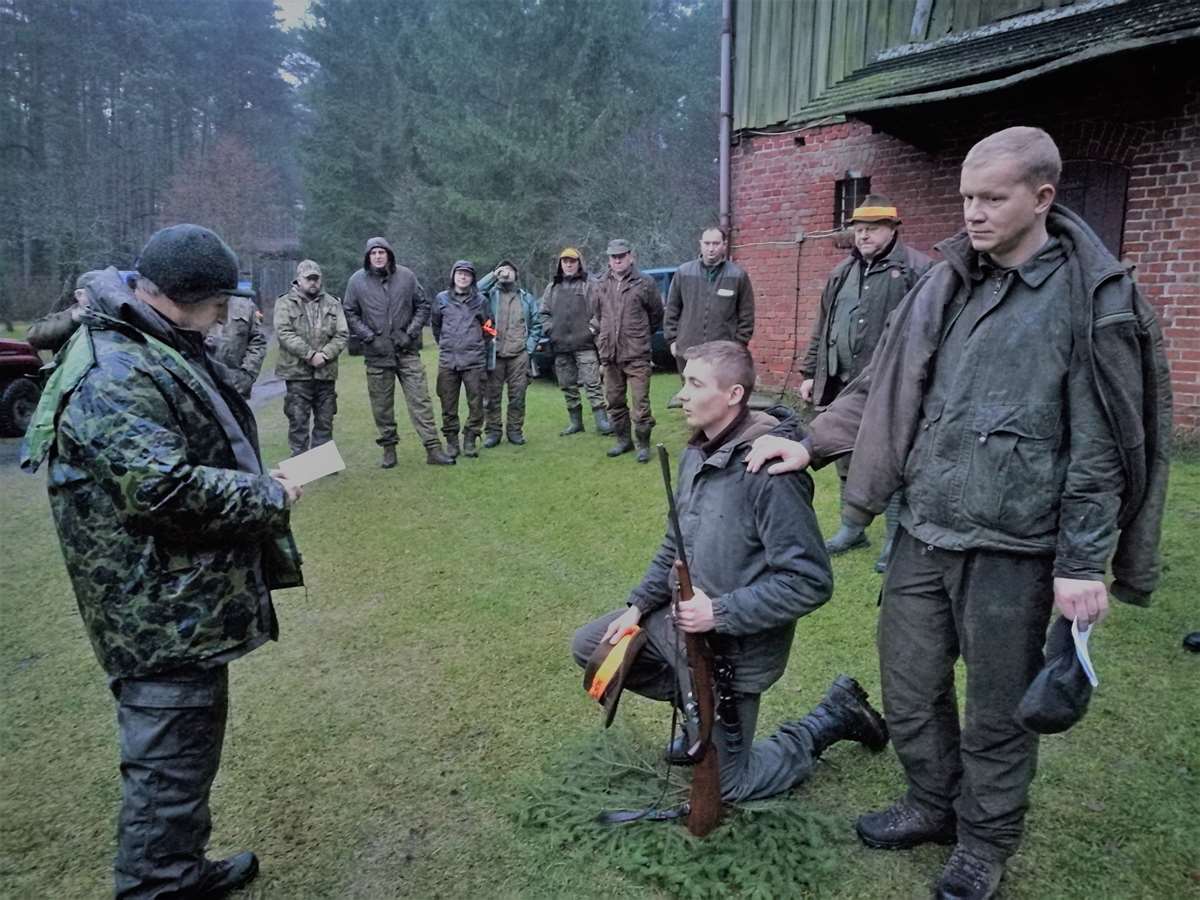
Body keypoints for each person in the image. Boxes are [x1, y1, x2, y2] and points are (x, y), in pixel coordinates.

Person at [746, 127, 1171, 900]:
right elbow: (882, 387)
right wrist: (809, 444)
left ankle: (985, 841)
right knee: (908, 686)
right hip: (923, 528)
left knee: (999, 709)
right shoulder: (944, 284)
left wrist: (1081, 562)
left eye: (991, 198)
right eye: (968, 197)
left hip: (1015, 544)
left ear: (1041, 197)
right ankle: (932, 802)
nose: (972, 212)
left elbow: (1103, 445)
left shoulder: (1088, 299)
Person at [21, 224, 305, 899]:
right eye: (218, 304)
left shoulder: (147, 339)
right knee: (168, 763)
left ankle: (179, 870)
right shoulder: (116, 369)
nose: (222, 318)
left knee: (186, 753)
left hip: (175, 602)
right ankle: (157, 885)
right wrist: (268, 494)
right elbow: (161, 489)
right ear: (183, 295)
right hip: (155, 613)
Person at [572, 340, 888, 803]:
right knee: (593, 647)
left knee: (728, 787)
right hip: (684, 629)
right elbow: (675, 544)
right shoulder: (696, 452)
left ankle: (832, 718)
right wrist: (638, 606)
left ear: (734, 394)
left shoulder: (770, 474)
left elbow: (810, 582)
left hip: (735, 650)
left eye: (695, 384)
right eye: (684, 381)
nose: (681, 394)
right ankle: (698, 711)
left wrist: (717, 613)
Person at [798, 195, 932, 568]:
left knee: (892, 460)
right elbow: (823, 325)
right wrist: (809, 372)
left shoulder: (918, 270)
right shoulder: (842, 273)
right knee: (843, 454)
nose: (863, 236)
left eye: (872, 229)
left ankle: (894, 540)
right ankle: (852, 528)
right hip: (841, 383)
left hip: (892, 389)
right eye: (859, 229)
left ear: (892, 229)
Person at [343, 236, 454, 467]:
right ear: (368, 257)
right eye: (373, 253)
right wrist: (369, 337)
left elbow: (423, 305)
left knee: (420, 400)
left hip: (407, 351)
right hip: (377, 354)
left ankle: (433, 449)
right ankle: (389, 449)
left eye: (381, 252)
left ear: (389, 254)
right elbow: (350, 312)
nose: (378, 256)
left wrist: (410, 333)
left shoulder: (407, 276)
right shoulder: (356, 281)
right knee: (382, 406)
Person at [589, 238, 664, 462]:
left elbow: (656, 315)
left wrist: (638, 336)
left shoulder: (645, 283)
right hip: (610, 355)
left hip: (637, 354)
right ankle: (623, 441)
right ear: (609, 259)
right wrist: (604, 337)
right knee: (614, 401)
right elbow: (598, 315)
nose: (618, 260)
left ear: (630, 256)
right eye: (614, 256)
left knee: (640, 403)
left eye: (622, 256)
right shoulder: (600, 283)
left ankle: (643, 445)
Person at [274, 259, 349, 457]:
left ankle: (321, 466)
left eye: (316, 279)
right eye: (309, 279)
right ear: (298, 280)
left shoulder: (333, 303)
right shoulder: (284, 303)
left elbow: (342, 334)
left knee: (325, 422)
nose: (313, 282)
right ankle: (300, 465)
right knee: (298, 422)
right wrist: (310, 355)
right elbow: (284, 333)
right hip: (297, 374)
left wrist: (325, 355)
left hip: (326, 373)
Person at [538, 247, 611, 437]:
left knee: (593, 384)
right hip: (560, 347)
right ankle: (575, 423)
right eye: (565, 261)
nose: (569, 265)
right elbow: (543, 313)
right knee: (567, 386)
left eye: (572, 261)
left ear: (579, 263)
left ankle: (602, 422)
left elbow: (600, 311)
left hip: (585, 345)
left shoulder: (589, 285)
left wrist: (591, 330)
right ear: (560, 264)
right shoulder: (552, 288)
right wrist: (551, 331)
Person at [664, 225, 755, 363]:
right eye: (707, 243)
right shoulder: (684, 273)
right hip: (688, 350)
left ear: (724, 245)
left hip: (723, 354)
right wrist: (672, 339)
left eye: (716, 243)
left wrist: (739, 345)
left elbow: (746, 315)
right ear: (700, 244)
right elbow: (672, 309)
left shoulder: (737, 276)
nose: (711, 248)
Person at [478, 259, 542, 447]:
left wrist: (528, 348)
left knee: (517, 397)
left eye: (509, 270)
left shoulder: (526, 298)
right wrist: (493, 275)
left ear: (516, 275)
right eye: (502, 270)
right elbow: (475, 290)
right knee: (491, 397)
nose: (506, 273)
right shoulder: (489, 295)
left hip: (519, 355)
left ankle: (515, 431)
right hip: (494, 354)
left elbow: (537, 325)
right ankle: (493, 433)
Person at [432, 260, 490, 459]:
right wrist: (447, 344)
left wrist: (477, 344)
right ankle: (452, 441)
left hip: (474, 361)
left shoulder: (481, 301)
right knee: (448, 403)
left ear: (472, 278)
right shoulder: (441, 299)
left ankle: (471, 438)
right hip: (448, 361)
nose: (463, 277)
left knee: (476, 402)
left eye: (467, 274)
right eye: (459, 273)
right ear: (453, 276)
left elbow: (489, 328)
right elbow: (436, 326)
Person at [205, 291, 267, 398]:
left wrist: (247, 375)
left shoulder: (246, 306)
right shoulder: (197, 305)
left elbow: (258, 341)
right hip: (205, 383)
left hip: (236, 384)